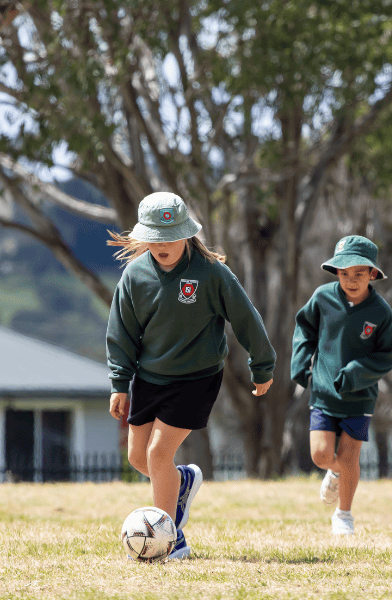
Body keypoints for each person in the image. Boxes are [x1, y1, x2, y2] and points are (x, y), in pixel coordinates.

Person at [106, 192, 276, 558]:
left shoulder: (211, 274)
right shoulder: (134, 277)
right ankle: (183, 481)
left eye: (170, 237)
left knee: (158, 453)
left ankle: (171, 539)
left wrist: (262, 365)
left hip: (197, 377)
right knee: (140, 458)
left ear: (186, 235)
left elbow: (247, 319)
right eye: (155, 238)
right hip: (149, 377)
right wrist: (120, 383)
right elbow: (120, 333)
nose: (162, 245)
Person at [291, 235, 392, 535]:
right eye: (344, 273)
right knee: (321, 456)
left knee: (350, 457)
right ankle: (336, 473)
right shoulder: (322, 298)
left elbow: (386, 356)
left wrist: (356, 374)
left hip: (359, 397)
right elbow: (304, 331)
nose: (351, 280)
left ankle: (344, 516)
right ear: (336, 273)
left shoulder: (381, 313)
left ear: (372, 274)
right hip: (324, 393)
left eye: (359, 274)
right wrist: (300, 365)